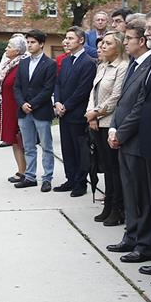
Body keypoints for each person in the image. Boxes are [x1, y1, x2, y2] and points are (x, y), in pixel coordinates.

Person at [106, 15, 151, 265]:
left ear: (142, 41)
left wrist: (122, 131)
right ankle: (131, 236)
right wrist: (113, 127)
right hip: (124, 137)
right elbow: (122, 100)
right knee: (130, 193)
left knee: (141, 197)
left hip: (136, 139)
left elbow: (141, 105)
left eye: (129, 38)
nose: (125, 42)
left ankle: (144, 244)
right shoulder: (134, 64)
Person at [87, 33, 128, 226]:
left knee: (114, 169)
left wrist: (96, 113)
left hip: (109, 122)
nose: (102, 46)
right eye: (102, 43)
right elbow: (93, 92)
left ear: (118, 46)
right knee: (106, 168)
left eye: (108, 43)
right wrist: (91, 114)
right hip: (96, 122)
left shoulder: (122, 67)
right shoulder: (102, 66)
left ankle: (117, 208)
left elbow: (116, 96)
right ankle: (108, 204)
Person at [12, 30, 57, 190]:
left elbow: (48, 89)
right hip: (23, 111)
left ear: (41, 44)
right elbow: (17, 87)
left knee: (46, 146)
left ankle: (47, 177)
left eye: (33, 42)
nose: (30, 45)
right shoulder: (23, 63)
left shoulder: (50, 64)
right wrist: (22, 103)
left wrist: (32, 104)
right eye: (28, 42)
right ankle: (30, 176)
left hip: (41, 111)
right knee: (28, 146)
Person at [54, 28, 96, 196]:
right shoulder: (65, 61)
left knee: (80, 150)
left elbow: (83, 89)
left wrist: (67, 106)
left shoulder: (88, 62)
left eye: (70, 38)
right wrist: (57, 101)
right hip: (63, 114)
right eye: (66, 37)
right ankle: (70, 178)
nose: (66, 41)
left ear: (80, 41)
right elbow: (58, 83)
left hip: (77, 114)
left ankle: (80, 182)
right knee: (67, 149)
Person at [0, 36, 28, 182]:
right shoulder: (9, 64)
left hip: (17, 108)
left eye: (9, 46)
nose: (6, 49)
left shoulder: (22, 64)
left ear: (17, 50)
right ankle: (21, 170)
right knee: (14, 140)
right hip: (8, 106)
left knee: (21, 141)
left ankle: (26, 172)